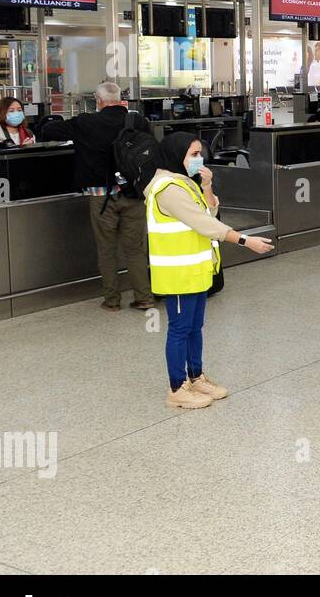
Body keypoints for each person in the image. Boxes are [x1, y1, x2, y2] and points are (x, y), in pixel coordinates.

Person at [145, 132, 274, 408]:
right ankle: (177, 388)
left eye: (199, 153)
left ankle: (196, 376)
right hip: (177, 273)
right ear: (175, 155)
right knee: (180, 329)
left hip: (196, 269)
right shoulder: (167, 188)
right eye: (193, 154)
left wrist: (206, 186)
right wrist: (244, 240)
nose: (199, 159)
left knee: (195, 327)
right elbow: (205, 226)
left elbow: (209, 214)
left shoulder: (185, 183)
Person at [37, 82, 157, 312]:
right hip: (134, 194)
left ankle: (112, 301)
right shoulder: (138, 122)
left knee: (107, 249)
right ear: (121, 99)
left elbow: (48, 132)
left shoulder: (85, 122)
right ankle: (144, 297)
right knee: (135, 249)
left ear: (98, 100)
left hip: (101, 196)